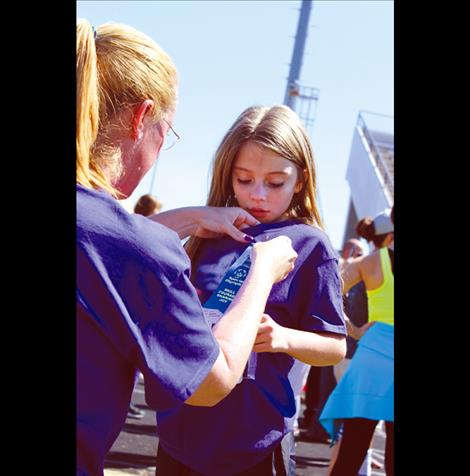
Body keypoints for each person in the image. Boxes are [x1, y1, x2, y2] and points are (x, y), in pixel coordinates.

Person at [76, 20, 298, 476]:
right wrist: (260, 270)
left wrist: (190, 219)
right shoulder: (140, 251)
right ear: (142, 117)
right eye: (167, 133)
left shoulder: (118, 240)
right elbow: (213, 381)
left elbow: (99, 249)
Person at [154, 105, 348, 476]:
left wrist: (283, 338)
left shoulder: (310, 245)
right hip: (182, 429)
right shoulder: (209, 233)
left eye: (275, 182)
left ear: (301, 180)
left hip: (257, 438)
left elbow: (334, 346)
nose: (258, 194)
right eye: (243, 179)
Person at [320, 207, 394, 476]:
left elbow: (328, 291)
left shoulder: (370, 261)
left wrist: (354, 330)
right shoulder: (371, 261)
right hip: (373, 358)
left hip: (371, 359)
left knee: (352, 448)